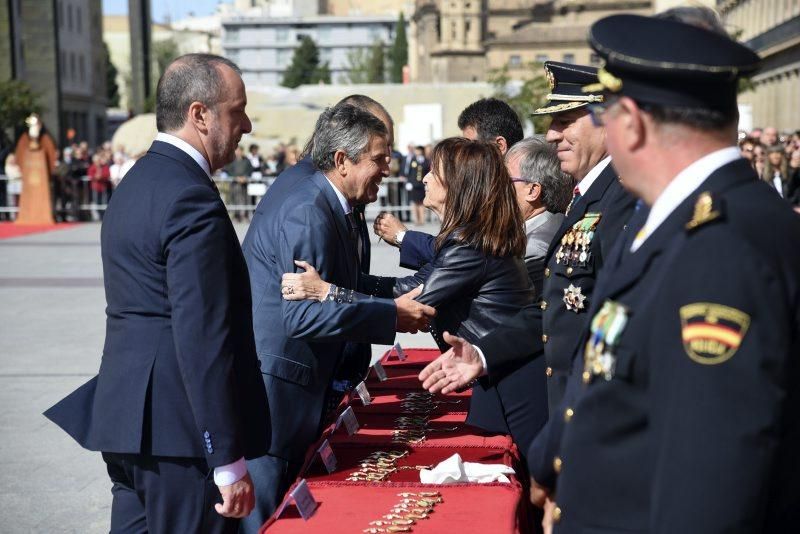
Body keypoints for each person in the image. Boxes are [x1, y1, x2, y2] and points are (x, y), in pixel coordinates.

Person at [538, 11, 799, 531]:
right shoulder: (671, 220)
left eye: (603, 113)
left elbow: (710, 477)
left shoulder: (721, 246)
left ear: (631, 123)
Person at [43, 54, 269, 533]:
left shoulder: (138, 183)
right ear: (200, 114)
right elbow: (201, 335)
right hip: (178, 436)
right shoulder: (190, 197)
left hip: (126, 420)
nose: (246, 125)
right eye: (237, 111)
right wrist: (226, 459)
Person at [282, 137, 548, 458]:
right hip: (498, 374)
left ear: (458, 185)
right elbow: (409, 285)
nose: (424, 178)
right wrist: (338, 281)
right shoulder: (468, 237)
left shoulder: (470, 246)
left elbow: (412, 302)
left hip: (509, 383)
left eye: (434, 172)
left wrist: (327, 291)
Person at [239, 103, 435, 531]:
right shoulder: (308, 211)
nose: (389, 169)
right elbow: (304, 316)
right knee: (266, 517)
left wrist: (397, 293)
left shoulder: (331, 204)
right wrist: (390, 316)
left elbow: (344, 284)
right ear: (343, 161)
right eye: (379, 159)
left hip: (299, 390)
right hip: (278, 396)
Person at [418, 61, 636, 417]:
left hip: (599, 408)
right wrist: (483, 354)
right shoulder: (588, 198)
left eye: (565, 122)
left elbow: (623, 321)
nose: (551, 135)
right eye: (553, 123)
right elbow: (553, 309)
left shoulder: (622, 199)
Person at [374, 97, 525, 270]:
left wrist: (402, 236)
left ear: (499, 146)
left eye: (471, 147)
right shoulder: (490, 187)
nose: (464, 156)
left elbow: (464, 256)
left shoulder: (514, 193)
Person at [506, 137, 573, 294]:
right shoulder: (557, 221)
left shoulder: (532, 249)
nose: (494, 186)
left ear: (532, 191)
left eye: (504, 179)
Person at [406, 145, 429, 225]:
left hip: (422, 185)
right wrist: (408, 182)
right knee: (415, 203)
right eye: (416, 150)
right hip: (414, 184)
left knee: (422, 203)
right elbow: (409, 172)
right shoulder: (413, 160)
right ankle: (416, 220)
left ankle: (422, 220)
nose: (417, 152)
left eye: (418, 150)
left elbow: (427, 172)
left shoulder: (426, 160)